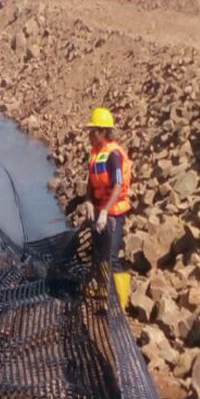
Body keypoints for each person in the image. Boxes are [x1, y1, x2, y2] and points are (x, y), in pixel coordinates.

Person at [84, 107, 131, 308]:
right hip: (99, 211)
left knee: (111, 255)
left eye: (93, 130)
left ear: (102, 131)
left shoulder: (113, 155)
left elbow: (118, 185)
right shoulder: (96, 153)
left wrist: (104, 212)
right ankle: (103, 290)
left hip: (113, 212)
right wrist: (88, 202)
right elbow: (91, 183)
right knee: (99, 252)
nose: (90, 134)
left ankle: (120, 303)